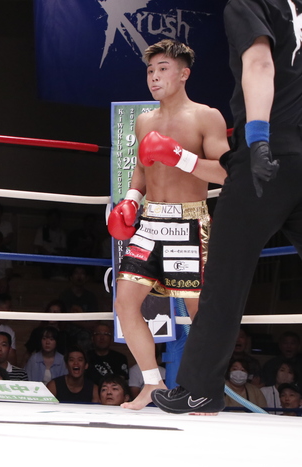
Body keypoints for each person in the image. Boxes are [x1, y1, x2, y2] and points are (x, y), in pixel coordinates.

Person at [153, 0, 302, 415]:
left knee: (224, 278)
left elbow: (259, 63)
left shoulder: (249, 4)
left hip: (269, 153)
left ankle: (200, 388)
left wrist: (258, 140)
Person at [109, 39, 229, 410]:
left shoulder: (206, 117)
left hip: (189, 222)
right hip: (150, 222)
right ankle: (151, 383)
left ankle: (203, 390)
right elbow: (142, 168)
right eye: (150, 70)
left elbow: (227, 173)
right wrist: (131, 199)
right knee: (125, 302)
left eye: (163, 69)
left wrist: (180, 157)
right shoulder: (145, 120)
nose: (154, 77)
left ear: (183, 74)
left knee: (199, 313)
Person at [34, 208, 68, 279]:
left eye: (56, 218)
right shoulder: (42, 230)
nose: (53, 221)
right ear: (48, 219)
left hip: (57, 257)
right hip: (43, 257)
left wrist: (58, 254)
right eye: (52, 218)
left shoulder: (61, 233)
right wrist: (49, 256)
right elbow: (38, 246)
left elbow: (63, 249)